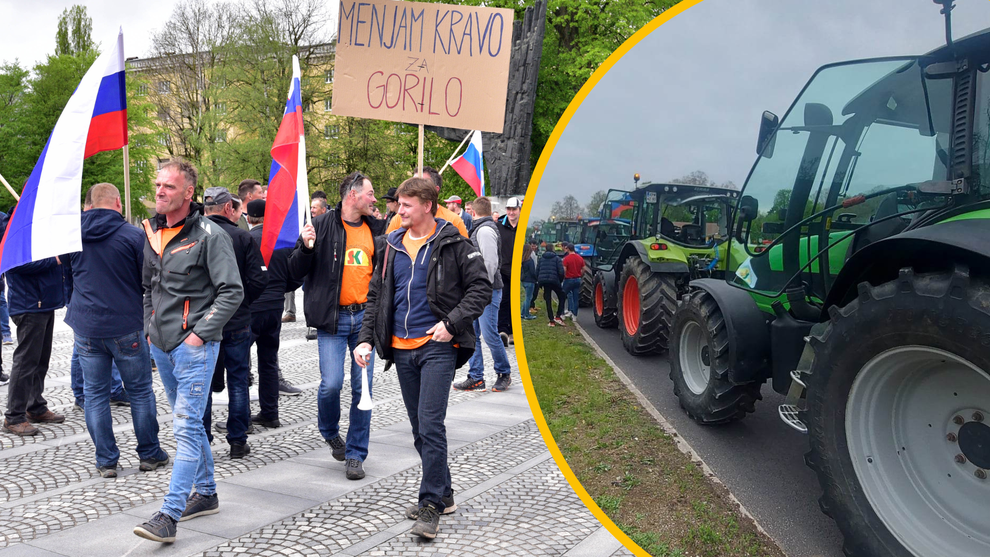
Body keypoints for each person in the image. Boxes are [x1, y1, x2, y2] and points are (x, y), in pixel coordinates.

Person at [354, 177, 490, 539]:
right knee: (419, 428)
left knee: (431, 425)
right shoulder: (390, 246)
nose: (399, 211)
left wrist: (451, 323)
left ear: (427, 206)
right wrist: (366, 340)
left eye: (406, 206)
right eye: (399, 205)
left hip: (438, 347)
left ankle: (430, 505)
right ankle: (444, 494)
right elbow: (376, 298)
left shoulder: (454, 244)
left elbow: (482, 289)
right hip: (400, 349)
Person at [133, 160, 243, 544]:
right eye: (158, 184)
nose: (160, 191)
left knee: (184, 426)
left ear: (188, 193)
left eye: (169, 186)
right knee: (192, 423)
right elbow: (149, 287)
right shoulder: (151, 231)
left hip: (193, 347)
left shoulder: (211, 235)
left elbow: (232, 291)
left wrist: (199, 335)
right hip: (161, 346)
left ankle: (169, 513)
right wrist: (150, 327)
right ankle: (207, 491)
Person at [66, 182, 170, 477]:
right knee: (139, 392)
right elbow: (149, 279)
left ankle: (106, 460)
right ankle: (150, 453)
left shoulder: (72, 236)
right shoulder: (134, 236)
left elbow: (68, 278)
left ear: (88, 205)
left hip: (86, 325)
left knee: (95, 394)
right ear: (118, 204)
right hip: (125, 323)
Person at [288, 171, 385, 481]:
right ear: (353, 196)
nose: (374, 198)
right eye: (369, 193)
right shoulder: (320, 226)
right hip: (333, 319)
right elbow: (293, 272)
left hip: (365, 321)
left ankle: (356, 454)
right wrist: (305, 248)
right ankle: (329, 431)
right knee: (331, 384)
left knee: (363, 389)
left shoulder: (377, 230)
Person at [201, 186, 268, 458]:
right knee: (238, 381)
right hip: (237, 320)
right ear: (229, 208)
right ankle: (238, 440)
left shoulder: (193, 235)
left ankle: (201, 437)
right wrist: (242, 302)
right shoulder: (242, 236)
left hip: (203, 322)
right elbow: (259, 279)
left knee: (201, 383)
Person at [247, 199, 304, 429]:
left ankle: (242, 419)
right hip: (274, 307)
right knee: (269, 361)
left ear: (249, 218)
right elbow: (296, 276)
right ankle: (270, 413)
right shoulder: (283, 242)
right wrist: (281, 288)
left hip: (251, 308)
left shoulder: (246, 240)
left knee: (241, 363)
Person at [70, 186, 128, 410]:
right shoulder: (74, 234)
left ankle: (110, 389)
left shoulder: (77, 232)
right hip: (84, 300)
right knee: (82, 349)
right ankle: (81, 392)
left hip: (92, 303)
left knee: (96, 347)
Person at [2, 246, 68, 435]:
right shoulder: (14, 228)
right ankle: (13, 416)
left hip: (44, 302)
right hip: (29, 304)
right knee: (25, 362)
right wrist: (53, 260)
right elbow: (14, 264)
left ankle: (35, 406)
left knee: (40, 360)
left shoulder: (39, 228)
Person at [453, 197, 511, 392]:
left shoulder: (484, 231)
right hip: (479, 290)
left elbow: (490, 263)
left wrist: (481, 288)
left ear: (473, 212)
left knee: (489, 334)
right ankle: (476, 376)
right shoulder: (482, 228)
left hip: (487, 290)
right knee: (474, 334)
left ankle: (504, 372)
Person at [385, 167, 468, 238]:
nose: (414, 187)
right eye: (413, 182)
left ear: (435, 189)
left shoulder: (454, 221)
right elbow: (388, 249)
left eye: (421, 183)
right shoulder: (398, 219)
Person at [496, 197, 521, 344]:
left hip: (518, 271)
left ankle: (514, 330)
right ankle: (503, 330)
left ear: (519, 210)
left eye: (514, 209)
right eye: (509, 209)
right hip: (503, 270)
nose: (511, 212)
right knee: (503, 300)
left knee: (515, 301)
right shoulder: (499, 226)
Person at [537, 244, 566, 326]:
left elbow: (537, 270)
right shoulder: (557, 258)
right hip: (554, 281)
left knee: (548, 300)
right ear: (553, 249)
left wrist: (540, 282)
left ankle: (551, 320)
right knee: (562, 296)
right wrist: (559, 281)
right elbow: (561, 272)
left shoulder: (541, 258)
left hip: (544, 282)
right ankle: (558, 316)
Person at [561, 243, 585, 318]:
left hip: (568, 279)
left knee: (563, 296)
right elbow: (584, 269)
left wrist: (564, 276)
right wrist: (580, 275)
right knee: (575, 298)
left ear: (568, 249)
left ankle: (562, 314)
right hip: (577, 279)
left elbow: (564, 269)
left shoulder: (566, 259)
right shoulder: (580, 258)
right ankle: (574, 315)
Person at [520, 243, 538, 321]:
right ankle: (527, 314)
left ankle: (523, 313)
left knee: (527, 297)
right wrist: (536, 279)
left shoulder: (522, 260)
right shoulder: (530, 260)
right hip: (530, 281)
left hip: (524, 280)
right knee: (529, 298)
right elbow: (533, 272)